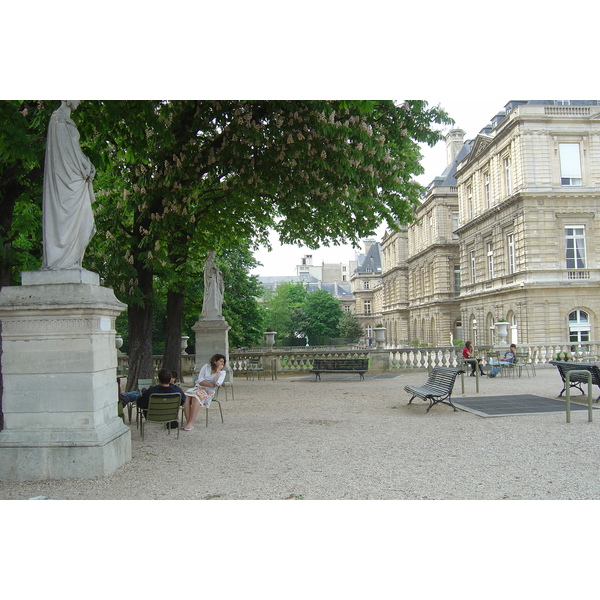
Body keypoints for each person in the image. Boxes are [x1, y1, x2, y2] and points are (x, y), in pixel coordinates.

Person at [42, 100, 96, 270]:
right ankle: (63, 260)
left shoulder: (67, 121)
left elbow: (74, 150)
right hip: (67, 178)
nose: (79, 100)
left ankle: (74, 260)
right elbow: (64, 152)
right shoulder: (58, 119)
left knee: (83, 217)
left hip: (76, 177)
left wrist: (87, 164)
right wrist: (84, 166)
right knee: (66, 218)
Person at [182, 353, 226, 430]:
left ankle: (191, 422)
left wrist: (218, 372)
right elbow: (200, 380)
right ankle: (188, 421)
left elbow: (217, 383)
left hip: (209, 391)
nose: (222, 363)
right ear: (215, 361)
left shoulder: (222, 373)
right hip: (198, 387)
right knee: (186, 396)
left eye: (223, 362)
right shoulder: (206, 367)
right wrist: (211, 385)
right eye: (221, 361)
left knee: (196, 396)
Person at [200, 251, 224, 320]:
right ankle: (211, 311)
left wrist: (218, 272)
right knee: (212, 296)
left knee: (216, 297)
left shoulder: (212, 263)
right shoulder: (208, 263)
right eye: (213, 255)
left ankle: (216, 310)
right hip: (211, 283)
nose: (213, 256)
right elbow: (208, 274)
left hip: (215, 282)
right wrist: (216, 271)